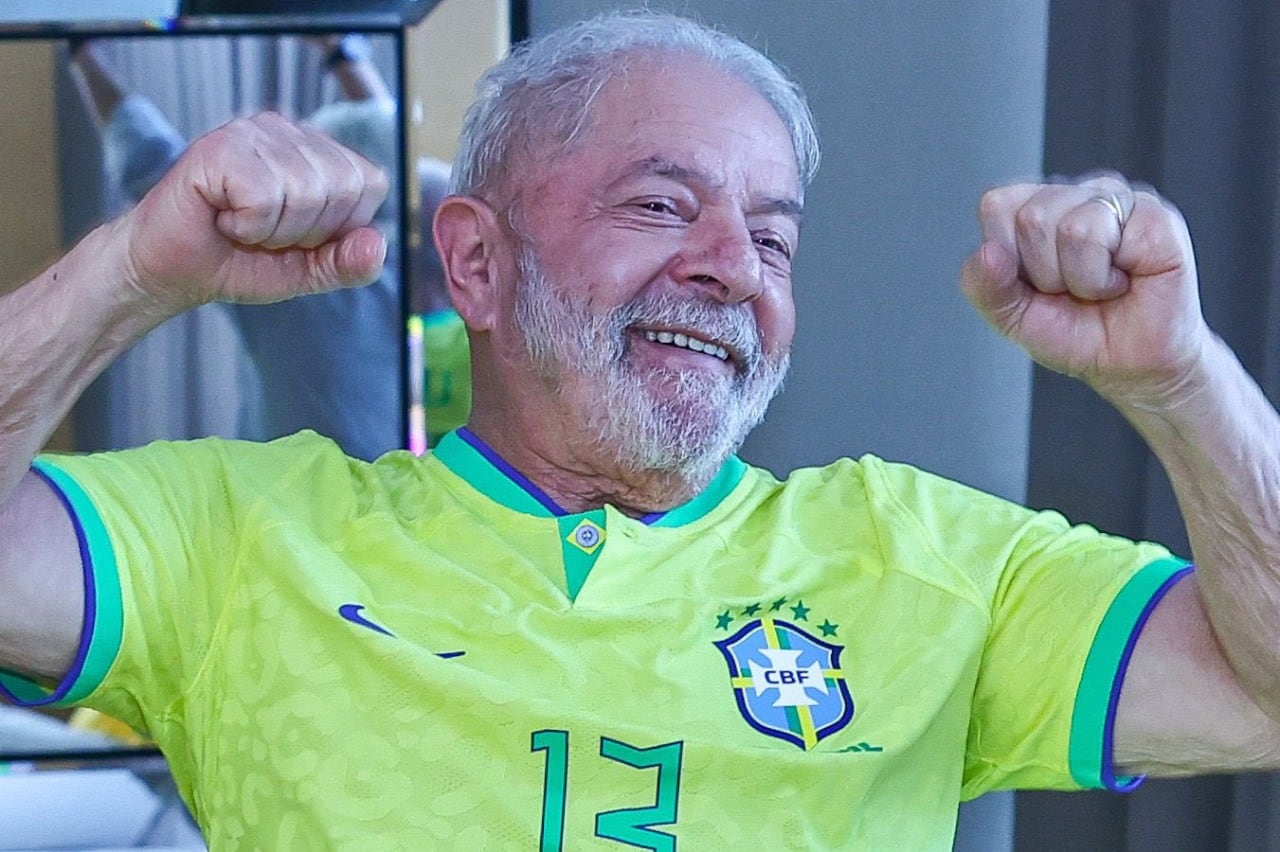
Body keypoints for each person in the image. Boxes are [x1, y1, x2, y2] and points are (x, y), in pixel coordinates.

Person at [1, 10, 1278, 849]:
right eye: (663, 207)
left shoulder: (929, 561)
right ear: (479, 266)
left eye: (772, 234)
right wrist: (129, 270)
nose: (735, 267)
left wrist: (1181, 382)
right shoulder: (244, 542)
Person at [70, 35, 468, 459]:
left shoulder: (303, 275)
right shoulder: (299, 277)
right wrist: (345, 54)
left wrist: (84, 56)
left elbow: (151, 163)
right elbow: (154, 168)